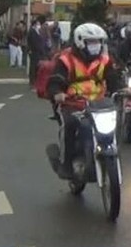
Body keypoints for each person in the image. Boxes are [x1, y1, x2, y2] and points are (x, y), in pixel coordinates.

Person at [46, 23, 126, 177]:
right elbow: (56, 80)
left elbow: (113, 80)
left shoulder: (105, 60)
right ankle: (66, 163)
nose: (95, 45)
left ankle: (105, 155)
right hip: (72, 104)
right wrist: (57, 93)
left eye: (98, 42)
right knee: (69, 125)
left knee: (111, 125)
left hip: (99, 104)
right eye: (91, 42)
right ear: (80, 41)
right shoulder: (65, 60)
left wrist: (123, 89)